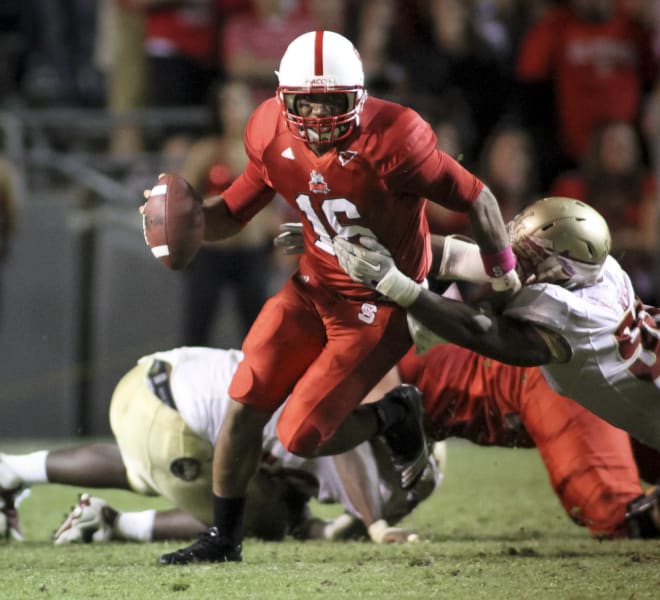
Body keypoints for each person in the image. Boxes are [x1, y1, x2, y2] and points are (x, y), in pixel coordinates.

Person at [149, 29, 517, 565]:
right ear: (282, 98)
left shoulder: (396, 140)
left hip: (377, 307)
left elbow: (476, 196)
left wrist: (503, 274)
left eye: (332, 102)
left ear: (360, 98)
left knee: (301, 434)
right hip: (312, 286)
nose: (319, 117)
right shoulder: (269, 132)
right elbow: (233, 211)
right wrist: (187, 221)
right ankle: (223, 540)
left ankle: (393, 413)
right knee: (246, 400)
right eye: (306, 101)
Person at [0, 346, 443, 545]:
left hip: (149, 387)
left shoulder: (356, 451)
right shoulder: (360, 443)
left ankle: (17, 469)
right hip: (175, 414)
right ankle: (116, 526)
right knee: (260, 516)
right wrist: (374, 525)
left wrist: (333, 528)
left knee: (147, 471)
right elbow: (343, 446)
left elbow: (301, 513)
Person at [332, 195, 660, 452]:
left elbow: (484, 333)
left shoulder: (570, 312)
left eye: (529, 255)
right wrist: (348, 242)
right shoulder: (603, 274)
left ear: (562, 272)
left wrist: (397, 285)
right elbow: (463, 257)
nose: (513, 255)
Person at [391, 343, 660, 539]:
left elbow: (378, 425)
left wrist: (372, 523)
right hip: (596, 351)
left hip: (549, 377)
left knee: (620, 517)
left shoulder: (368, 344)